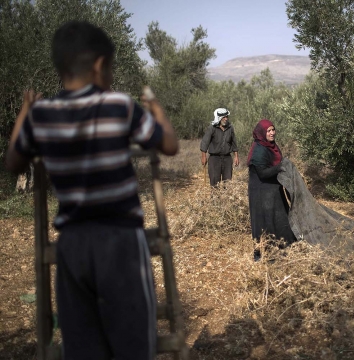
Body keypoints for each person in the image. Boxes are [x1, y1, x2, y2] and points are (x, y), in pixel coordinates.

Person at [5, 21, 178, 359]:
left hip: (72, 246)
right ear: (100, 65)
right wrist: (156, 108)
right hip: (121, 242)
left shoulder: (42, 114)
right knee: (132, 344)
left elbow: (12, 161)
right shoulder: (118, 105)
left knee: (82, 344)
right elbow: (169, 144)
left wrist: (26, 109)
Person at [247, 119, 296, 260]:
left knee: (280, 219)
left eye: (273, 129)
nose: (272, 133)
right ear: (262, 133)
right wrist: (280, 168)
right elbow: (262, 173)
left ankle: (283, 250)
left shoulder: (272, 146)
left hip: (273, 189)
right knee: (264, 222)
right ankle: (263, 253)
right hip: (261, 191)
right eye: (268, 130)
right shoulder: (259, 150)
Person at [200, 108, 239, 186]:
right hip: (214, 159)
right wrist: (203, 157)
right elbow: (204, 143)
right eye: (224, 117)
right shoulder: (212, 128)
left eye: (226, 117)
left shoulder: (230, 128)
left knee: (227, 183)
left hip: (227, 159)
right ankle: (215, 198)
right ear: (219, 118)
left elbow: (234, 143)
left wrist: (236, 156)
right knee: (214, 183)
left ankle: (225, 198)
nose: (226, 119)